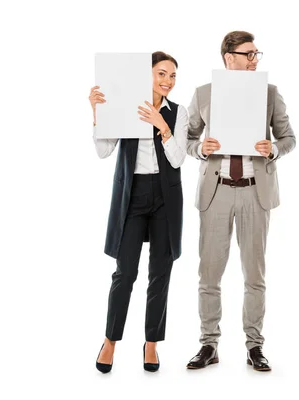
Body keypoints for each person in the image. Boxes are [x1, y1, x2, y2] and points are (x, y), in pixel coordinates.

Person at [185, 31, 296, 372]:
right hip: (216, 190)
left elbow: (289, 138)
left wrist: (273, 149)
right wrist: (200, 149)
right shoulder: (204, 94)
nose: (254, 60)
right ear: (228, 57)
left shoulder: (270, 93)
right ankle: (208, 343)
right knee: (209, 273)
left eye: (257, 54)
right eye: (248, 54)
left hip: (254, 190)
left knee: (254, 274)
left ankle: (254, 345)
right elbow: (187, 138)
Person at [89, 51, 188, 373]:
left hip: (165, 197)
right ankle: (110, 341)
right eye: (161, 74)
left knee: (160, 272)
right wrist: (97, 113)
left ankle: (151, 344)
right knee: (125, 273)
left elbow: (177, 160)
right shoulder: (125, 106)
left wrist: (163, 127)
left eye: (172, 76)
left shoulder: (178, 112)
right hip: (132, 196)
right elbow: (104, 151)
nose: (167, 82)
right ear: (146, 75)